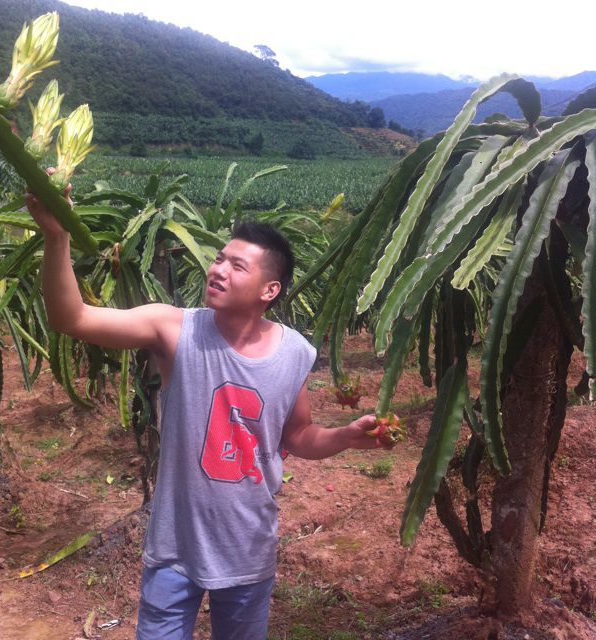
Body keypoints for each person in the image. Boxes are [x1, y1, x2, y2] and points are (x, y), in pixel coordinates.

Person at [25, 184, 387, 640]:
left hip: (248, 547)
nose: (218, 270)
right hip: (175, 548)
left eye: (237, 266)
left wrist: (345, 436)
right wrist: (56, 236)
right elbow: (72, 318)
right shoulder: (174, 329)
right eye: (219, 259)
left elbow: (298, 435)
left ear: (270, 289)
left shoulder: (295, 352)